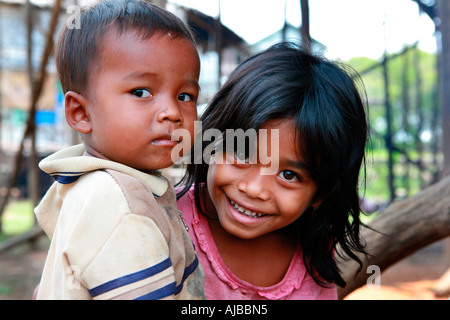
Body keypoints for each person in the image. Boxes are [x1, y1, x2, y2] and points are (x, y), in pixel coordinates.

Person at [35, 0, 204, 300]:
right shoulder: (121, 205)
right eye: (141, 92)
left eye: (185, 95)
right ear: (81, 113)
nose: (172, 112)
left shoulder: (96, 185)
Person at [177, 43, 369, 300]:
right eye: (243, 154)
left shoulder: (313, 260)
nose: (254, 188)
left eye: (289, 175)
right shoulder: (164, 221)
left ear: (320, 193)